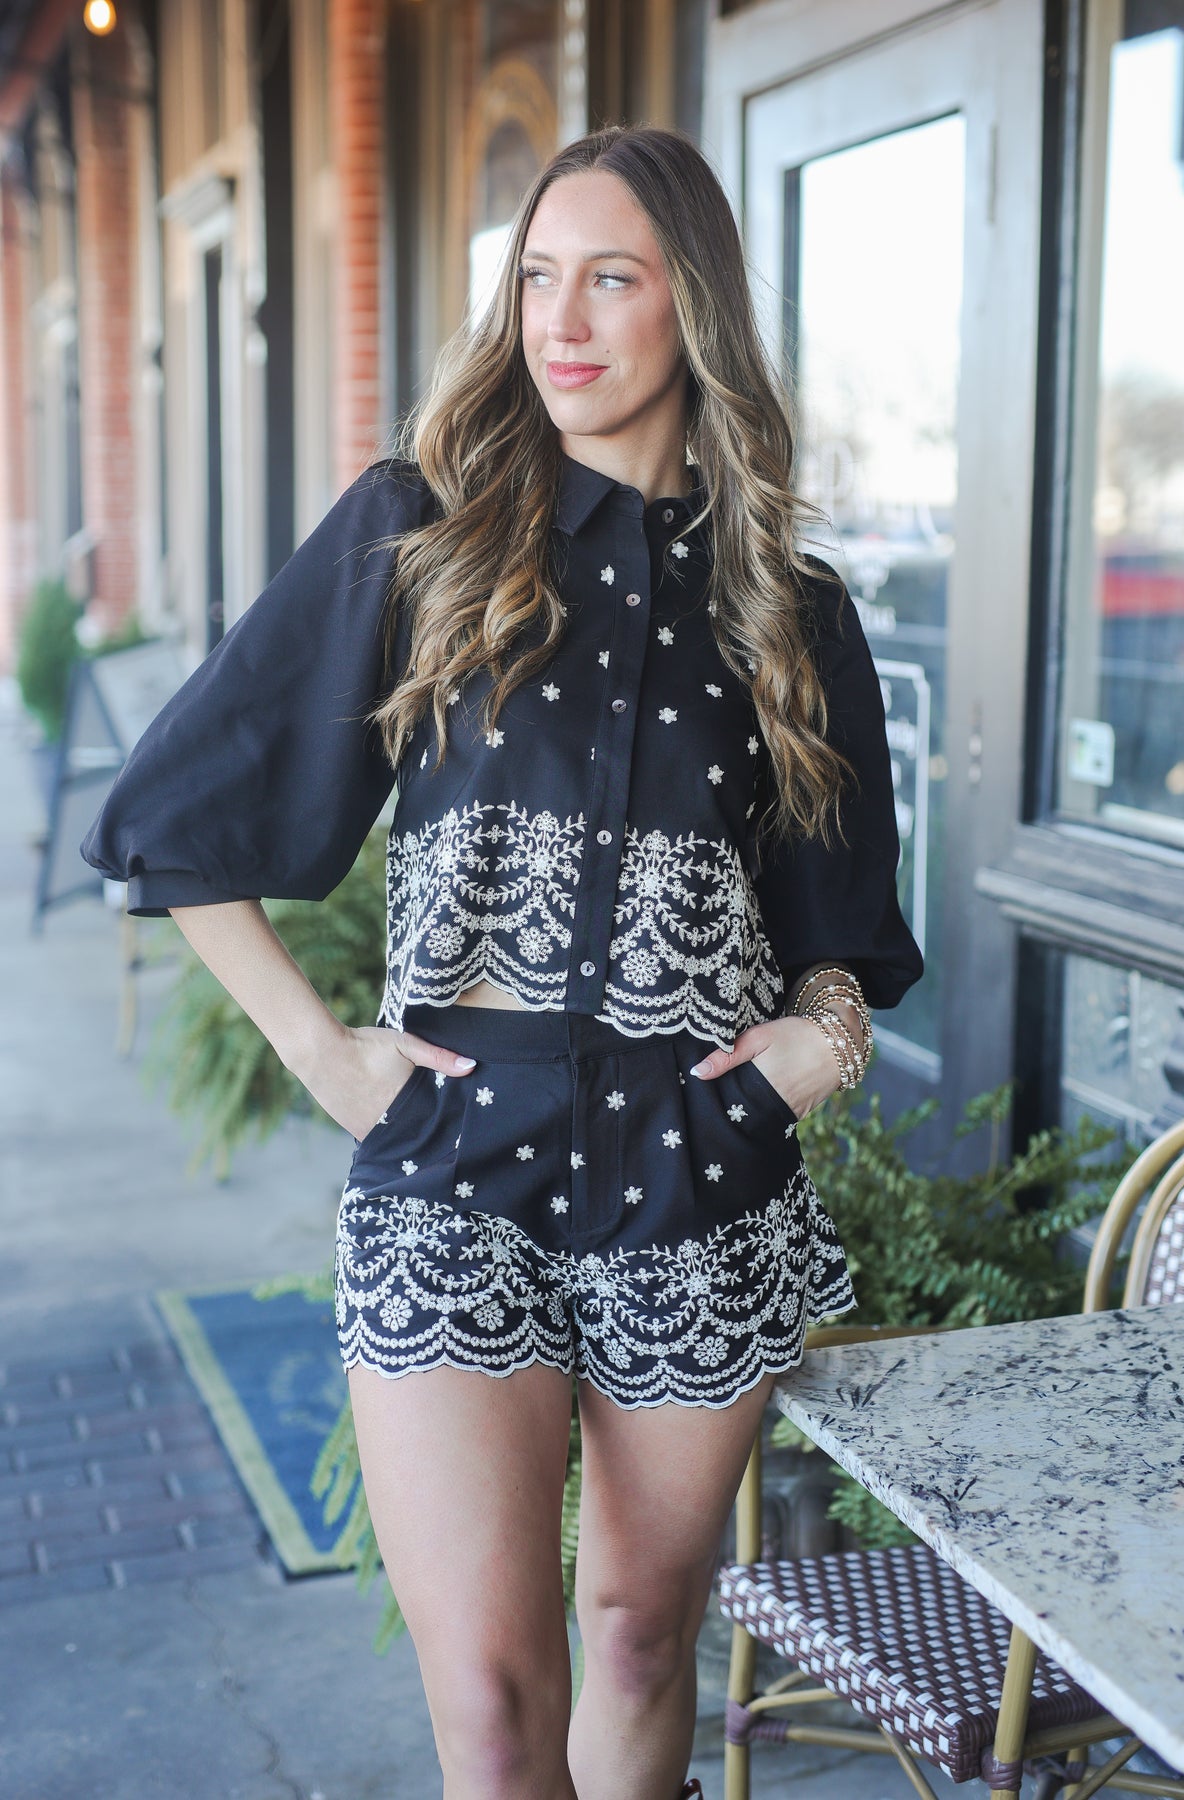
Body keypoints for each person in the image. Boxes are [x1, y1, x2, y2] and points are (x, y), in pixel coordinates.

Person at [82, 124, 922, 1800]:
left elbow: (844, 948)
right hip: (453, 1164)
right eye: (537, 277)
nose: (563, 318)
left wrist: (818, 1049)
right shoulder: (426, 533)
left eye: (610, 277)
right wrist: (328, 1057)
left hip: (695, 1176)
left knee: (630, 1631)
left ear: (696, 306)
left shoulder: (793, 612)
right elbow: (174, 827)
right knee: (486, 1694)